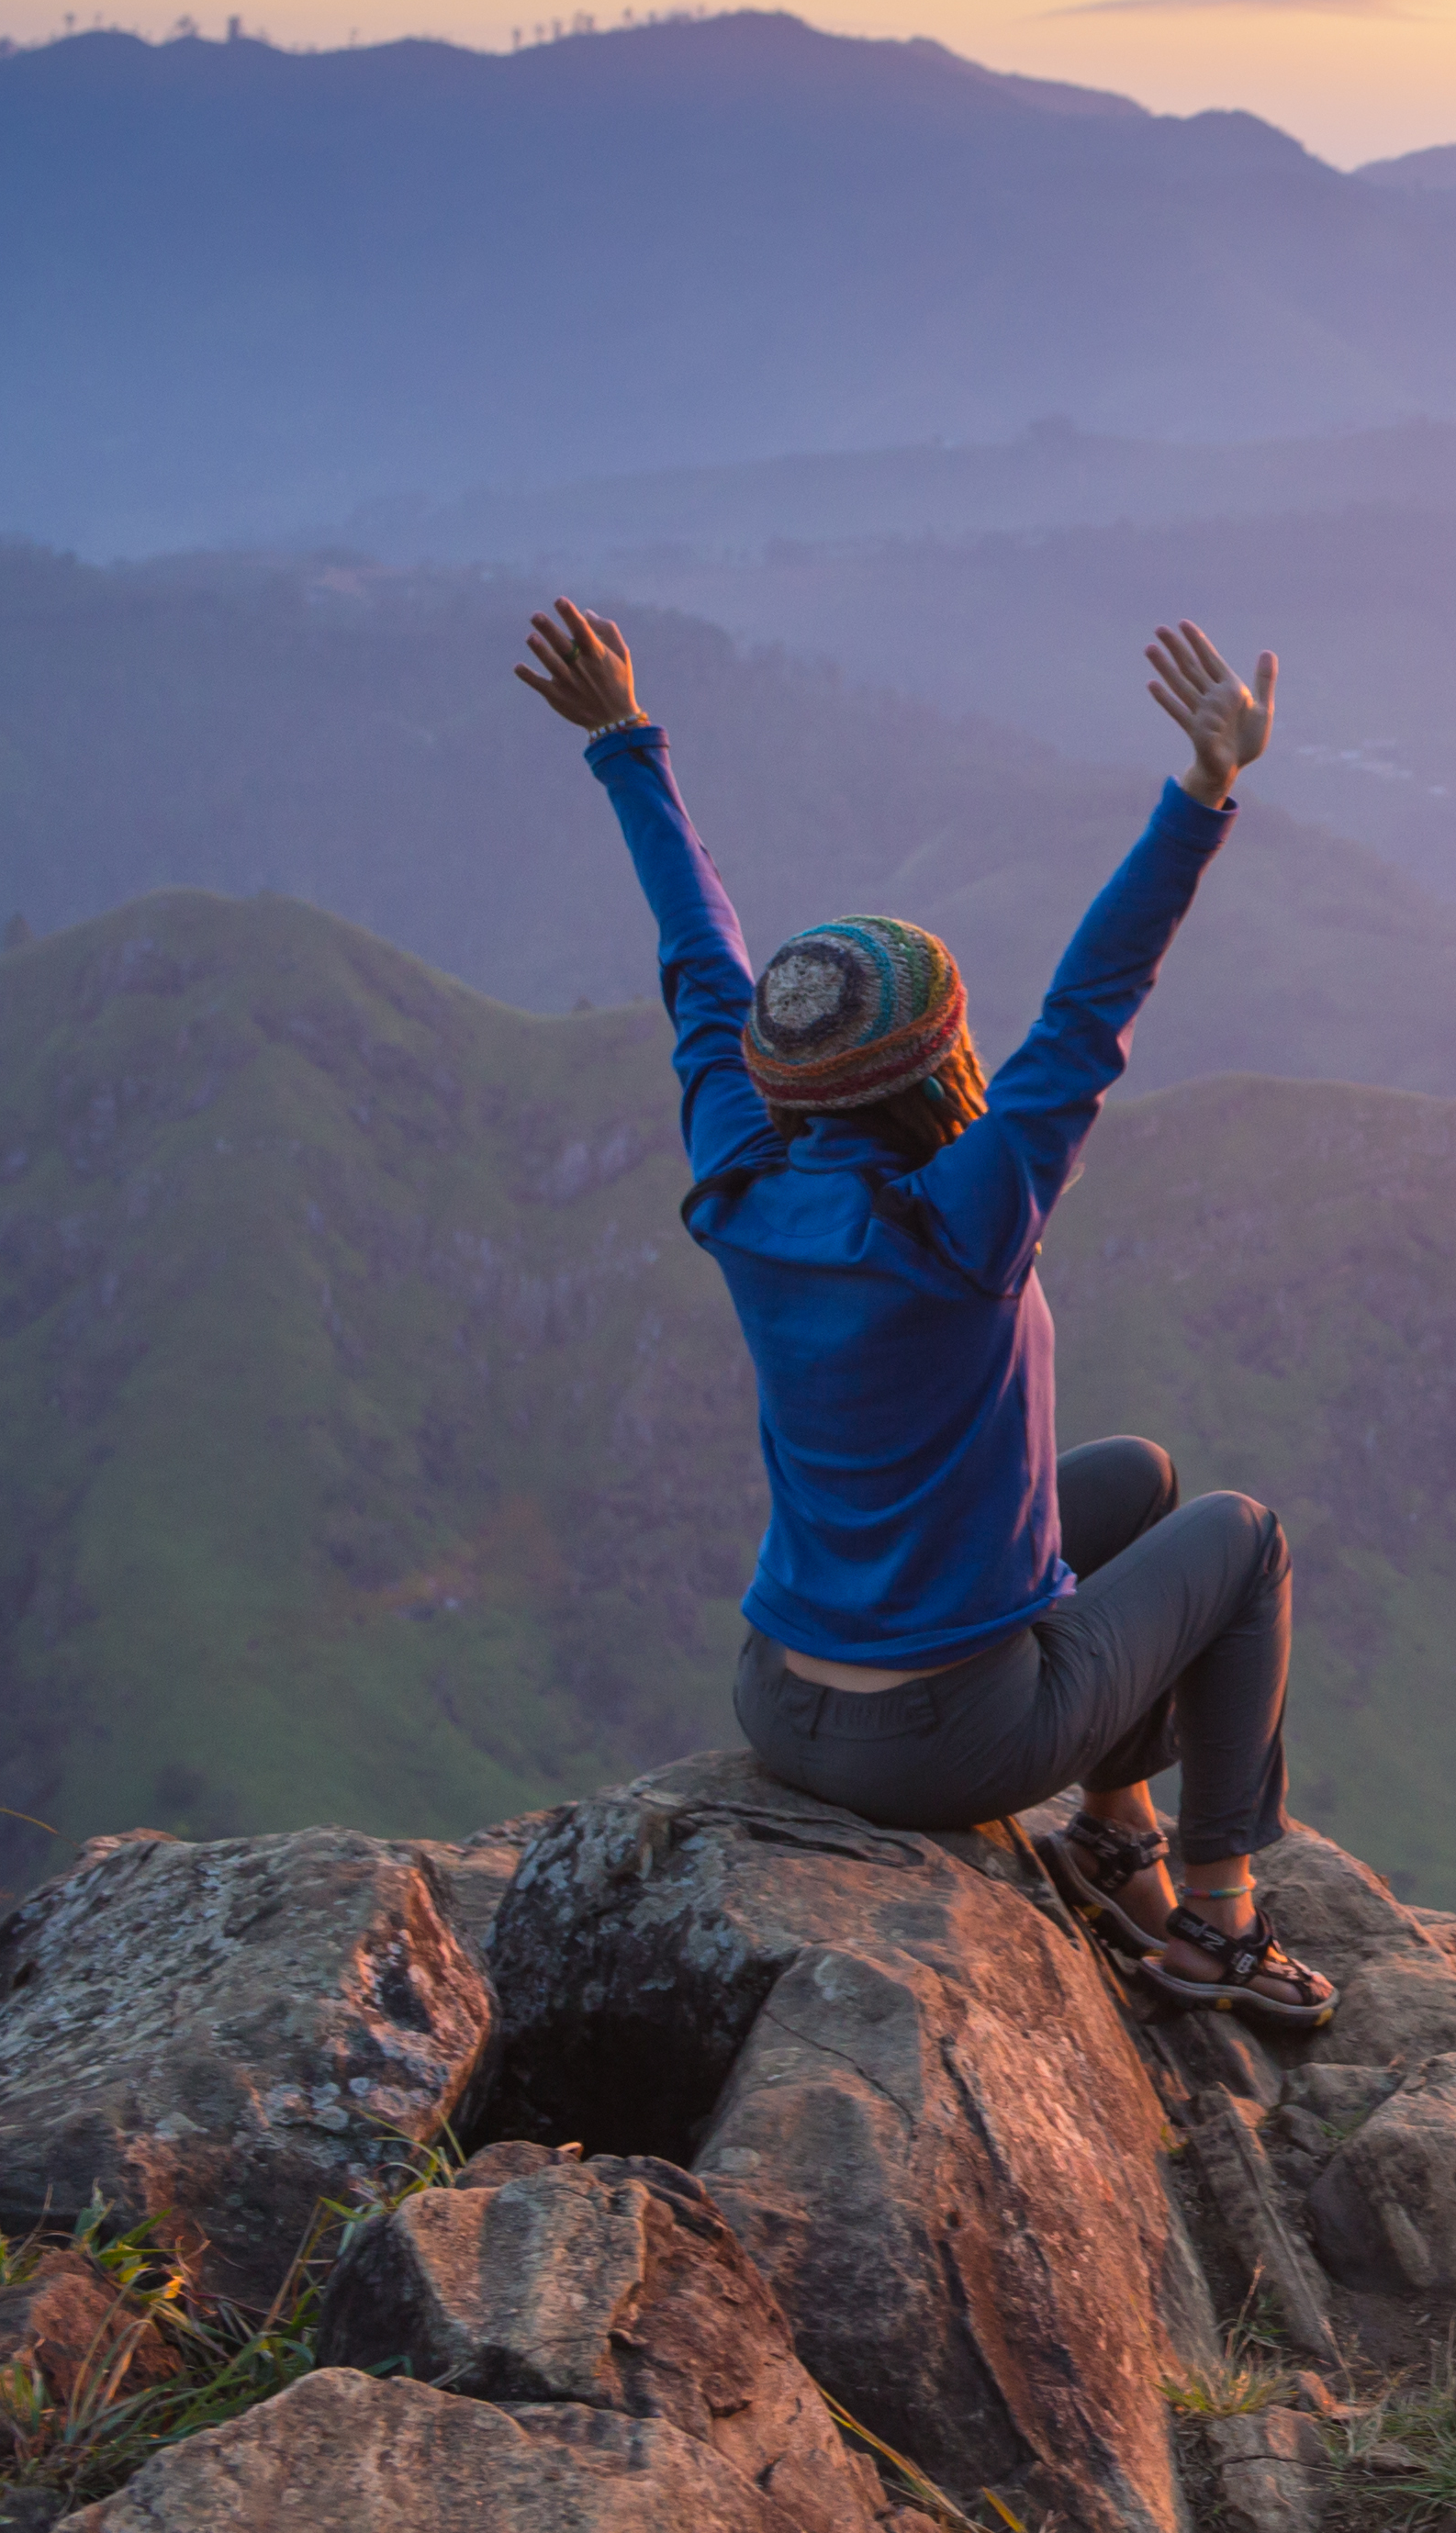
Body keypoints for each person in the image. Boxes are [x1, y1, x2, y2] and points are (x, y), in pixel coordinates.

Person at [518, 596, 1335, 2029]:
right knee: (1242, 1538)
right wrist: (1206, 789)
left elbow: (702, 970)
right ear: (941, 1063)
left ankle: (1114, 1829)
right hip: (947, 1740)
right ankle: (1219, 1922)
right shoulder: (966, 1219)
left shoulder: (742, 1182)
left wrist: (623, 741)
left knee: (1138, 1480)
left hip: (780, 1700)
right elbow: (1093, 1000)